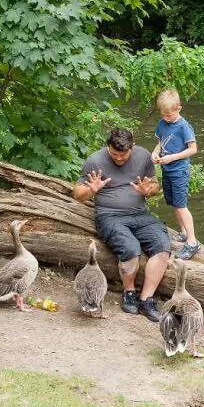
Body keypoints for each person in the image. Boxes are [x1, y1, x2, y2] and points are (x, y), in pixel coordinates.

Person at [72, 128, 168, 322]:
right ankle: (129, 293)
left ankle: (146, 299)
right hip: (109, 216)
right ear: (108, 146)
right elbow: (77, 195)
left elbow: (155, 186)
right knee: (130, 248)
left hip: (140, 214)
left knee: (162, 246)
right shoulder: (95, 161)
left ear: (132, 147)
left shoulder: (144, 156)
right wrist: (92, 189)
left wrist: (148, 191)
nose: (119, 159)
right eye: (115, 155)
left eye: (123, 155)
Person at [151, 89, 201, 260]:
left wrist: (172, 157)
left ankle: (193, 242)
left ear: (179, 108)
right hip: (167, 170)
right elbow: (160, 143)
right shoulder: (162, 123)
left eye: (169, 115)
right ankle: (184, 232)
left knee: (181, 205)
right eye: (163, 115)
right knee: (173, 203)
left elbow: (193, 149)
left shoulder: (183, 126)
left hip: (179, 171)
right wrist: (154, 153)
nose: (166, 118)